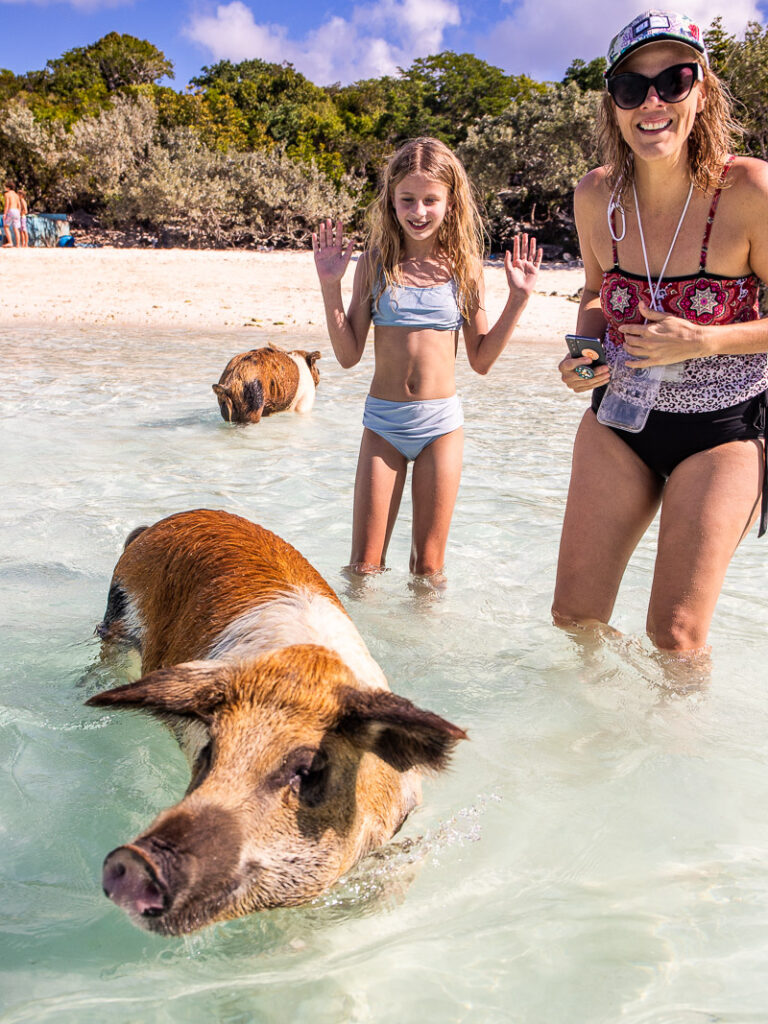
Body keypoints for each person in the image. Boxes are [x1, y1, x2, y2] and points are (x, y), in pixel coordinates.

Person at [553, 10, 768, 652]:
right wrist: (584, 353)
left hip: (724, 429)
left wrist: (704, 341)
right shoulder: (596, 196)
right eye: (631, 87)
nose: (652, 102)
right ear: (613, 105)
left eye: (674, 81)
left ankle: (676, 748)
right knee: (574, 620)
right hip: (619, 417)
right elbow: (595, 295)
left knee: (675, 637)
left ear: (701, 93)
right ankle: (598, 745)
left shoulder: (750, 189)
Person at [313, 136, 541, 581]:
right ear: (391, 201)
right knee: (363, 567)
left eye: (431, 200)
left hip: (440, 426)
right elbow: (346, 355)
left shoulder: (464, 267)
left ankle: (424, 650)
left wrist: (518, 299)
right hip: (383, 423)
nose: (419, 212)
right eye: (408, 200)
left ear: (451, 203)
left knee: (429, 568)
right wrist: (329, 286)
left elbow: (481, 360)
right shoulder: (376, 262)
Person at [3, 181, 21, 247]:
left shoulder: (7, 194)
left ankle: (10, 242)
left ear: (8, 188)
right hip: (17, 211)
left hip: (11, 210)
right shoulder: (16, 195)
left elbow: (7, 205)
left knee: (6, 226)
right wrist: (19, 212)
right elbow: (19, 205)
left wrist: (5, 214)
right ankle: (18, 244)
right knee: (16, 228)